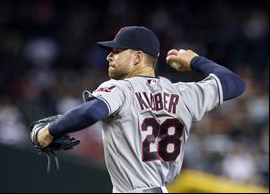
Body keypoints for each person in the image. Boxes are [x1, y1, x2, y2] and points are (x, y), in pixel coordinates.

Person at [36, 26, 245, 193]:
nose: (109, 56)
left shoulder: (121, 88)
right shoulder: (183, 94)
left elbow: (92, 112)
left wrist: (50, 131)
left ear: (137, 57)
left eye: (117, 51)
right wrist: (195, 61)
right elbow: (234, 83)